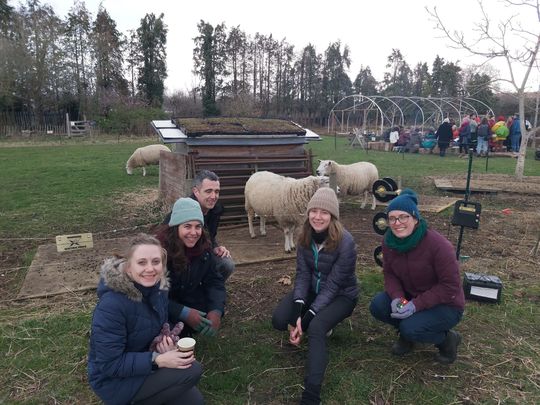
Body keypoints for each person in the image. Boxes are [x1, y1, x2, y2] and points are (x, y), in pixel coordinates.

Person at [88, 234, 204, 405]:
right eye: (142, 262)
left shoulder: (160, 289)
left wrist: (166, 342)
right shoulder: (111, 306)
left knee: (195, 401)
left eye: (156, 262)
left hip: (143, 363)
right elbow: (109, 364)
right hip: (114, 380)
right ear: (128, 268)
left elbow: (158, 324)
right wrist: (157, 359)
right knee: (192, 370)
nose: (150, 269)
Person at [272, 188, 358, 405]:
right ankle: (312, 320)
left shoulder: (346, 243)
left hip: (341, 295)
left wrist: (307, 318)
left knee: (316, 327)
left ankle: (311, 395)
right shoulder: (304, 237)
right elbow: (302, 275)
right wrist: (296, 314)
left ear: (333, 217)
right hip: (312, 289)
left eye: (324, 213)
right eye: (314, 211)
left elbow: (332, 286)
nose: (318, 217)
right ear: (308, 213)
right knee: (280, 320)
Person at [369, 189, 465, 364]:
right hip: (410, 296)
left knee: (411, 327)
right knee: (378, 306)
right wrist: (397, 298)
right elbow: (389, 274)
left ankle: (448, 340)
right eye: (392, 218)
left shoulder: (439, 246)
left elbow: (450, 287)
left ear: (415, 218)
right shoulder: (389, 242)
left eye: (403, 217)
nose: (397, 223)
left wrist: (416, 305)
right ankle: (407, 334)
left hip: (445, 304)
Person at [156, 197, 226, 337]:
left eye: (198, 226)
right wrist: (182, 312)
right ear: (176, 228)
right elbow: (150, 293)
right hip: (161, 303)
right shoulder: (158, 252)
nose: (194, 233)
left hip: (186, 296)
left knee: (207, 311)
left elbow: (214, 281)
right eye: (187, 226)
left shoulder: (204, 248)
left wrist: (216, 310)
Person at [164, 170, 235, 281]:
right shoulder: (184, 210)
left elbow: (210, 235)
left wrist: (215, 247)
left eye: (217, 191)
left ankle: (209, 289)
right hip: (178, 255)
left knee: (226, 263)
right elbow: (168, 239)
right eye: (208, 191)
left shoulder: (215, 211)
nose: (213, 196)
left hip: (201, 252)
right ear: (196, 191)